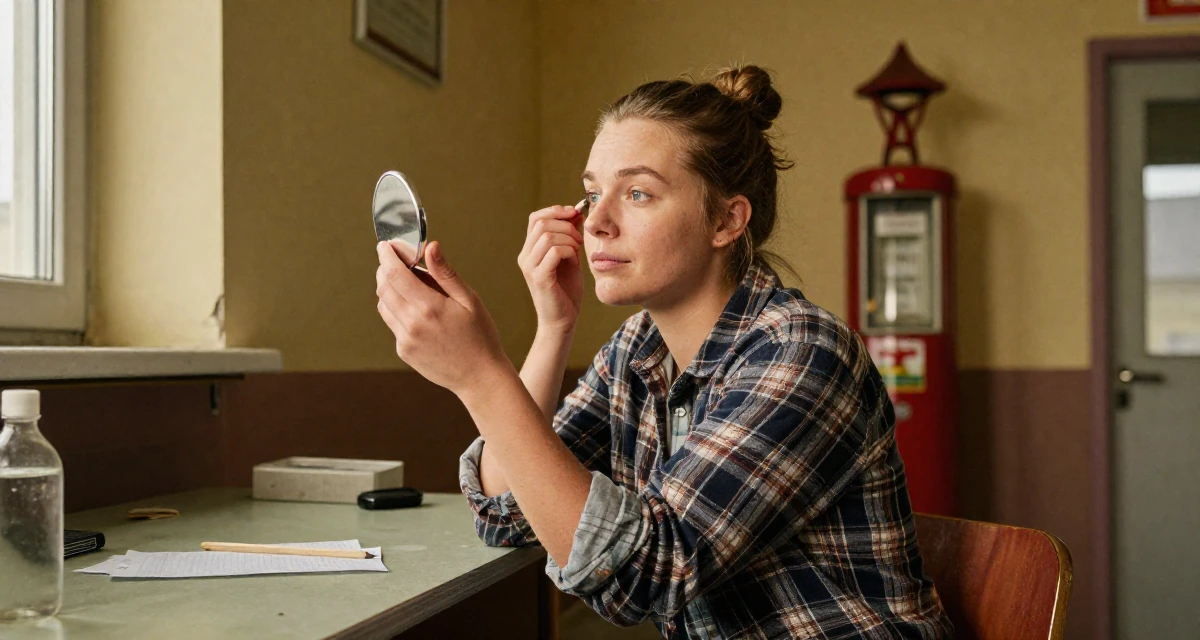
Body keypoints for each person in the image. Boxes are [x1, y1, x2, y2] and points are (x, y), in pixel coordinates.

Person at [374, 65, 952, 639]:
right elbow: (508, 511)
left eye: (637, 193)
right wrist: (553, 329)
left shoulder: (803, 352)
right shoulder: (636, 351)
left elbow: (647, 571)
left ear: (727, 220)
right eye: (592, 192)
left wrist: (480, 375)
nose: (595, 222)